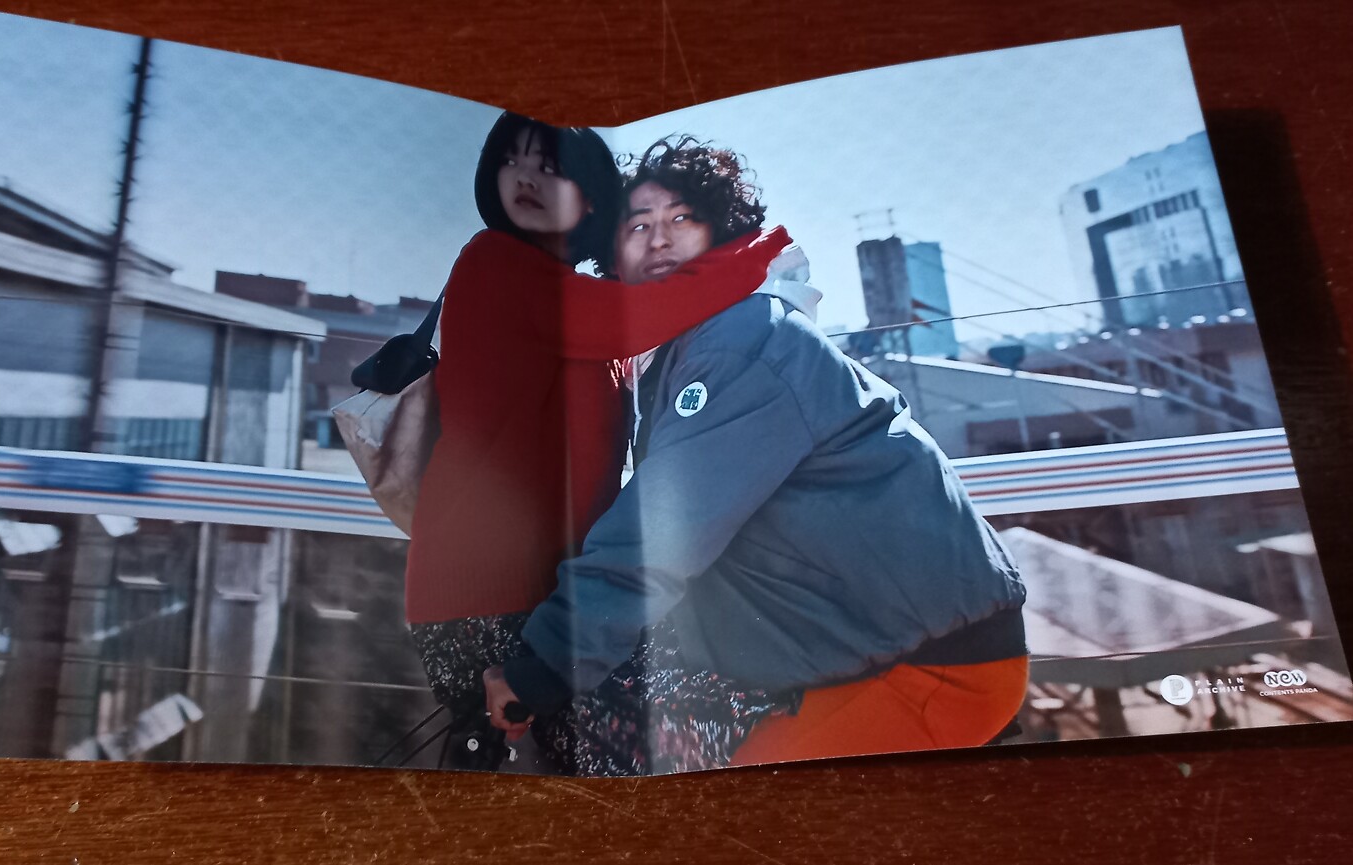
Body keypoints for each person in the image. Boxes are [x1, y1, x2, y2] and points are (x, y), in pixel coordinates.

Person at [484, 136, 1030, 774]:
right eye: (638, 226)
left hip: (933, 670)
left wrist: (547, 663)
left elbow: (662, 533)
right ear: (614, 254)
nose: (659, 239)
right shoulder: (693, 349)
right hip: (861, 647)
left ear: (719, 234)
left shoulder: (743, 340)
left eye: (681, 219)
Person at [403, 115, 790, 771]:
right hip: (486, 594)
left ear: (590, 199)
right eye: (513, 160)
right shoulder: (495, 262)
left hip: (546, 595)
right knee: (676, 736)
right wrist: (759, 249)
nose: (526, 177)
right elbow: (640, 317)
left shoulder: (575, 295)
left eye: (550, 167)